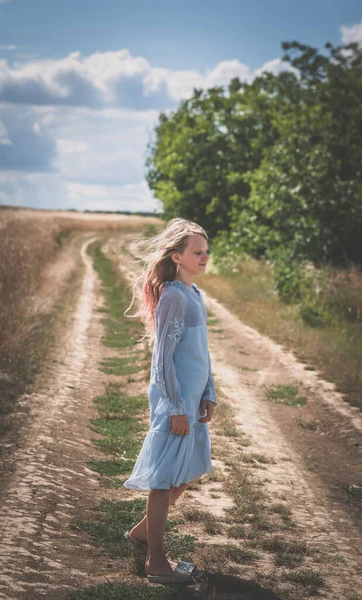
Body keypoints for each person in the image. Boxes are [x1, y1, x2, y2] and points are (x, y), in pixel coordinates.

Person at [123, 218, 217, 585]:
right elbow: (163, 360)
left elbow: (201, 353)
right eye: (197, 252)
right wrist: (176, 407)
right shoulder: (174, 297)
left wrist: (208, 393)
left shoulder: (195, 295)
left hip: (193, 400)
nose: (204, 256)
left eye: (206, 251)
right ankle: (156, 561)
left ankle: (142, 532)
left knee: (189, 469)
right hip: (174, 401)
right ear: (177, 256)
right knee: (163, 481)